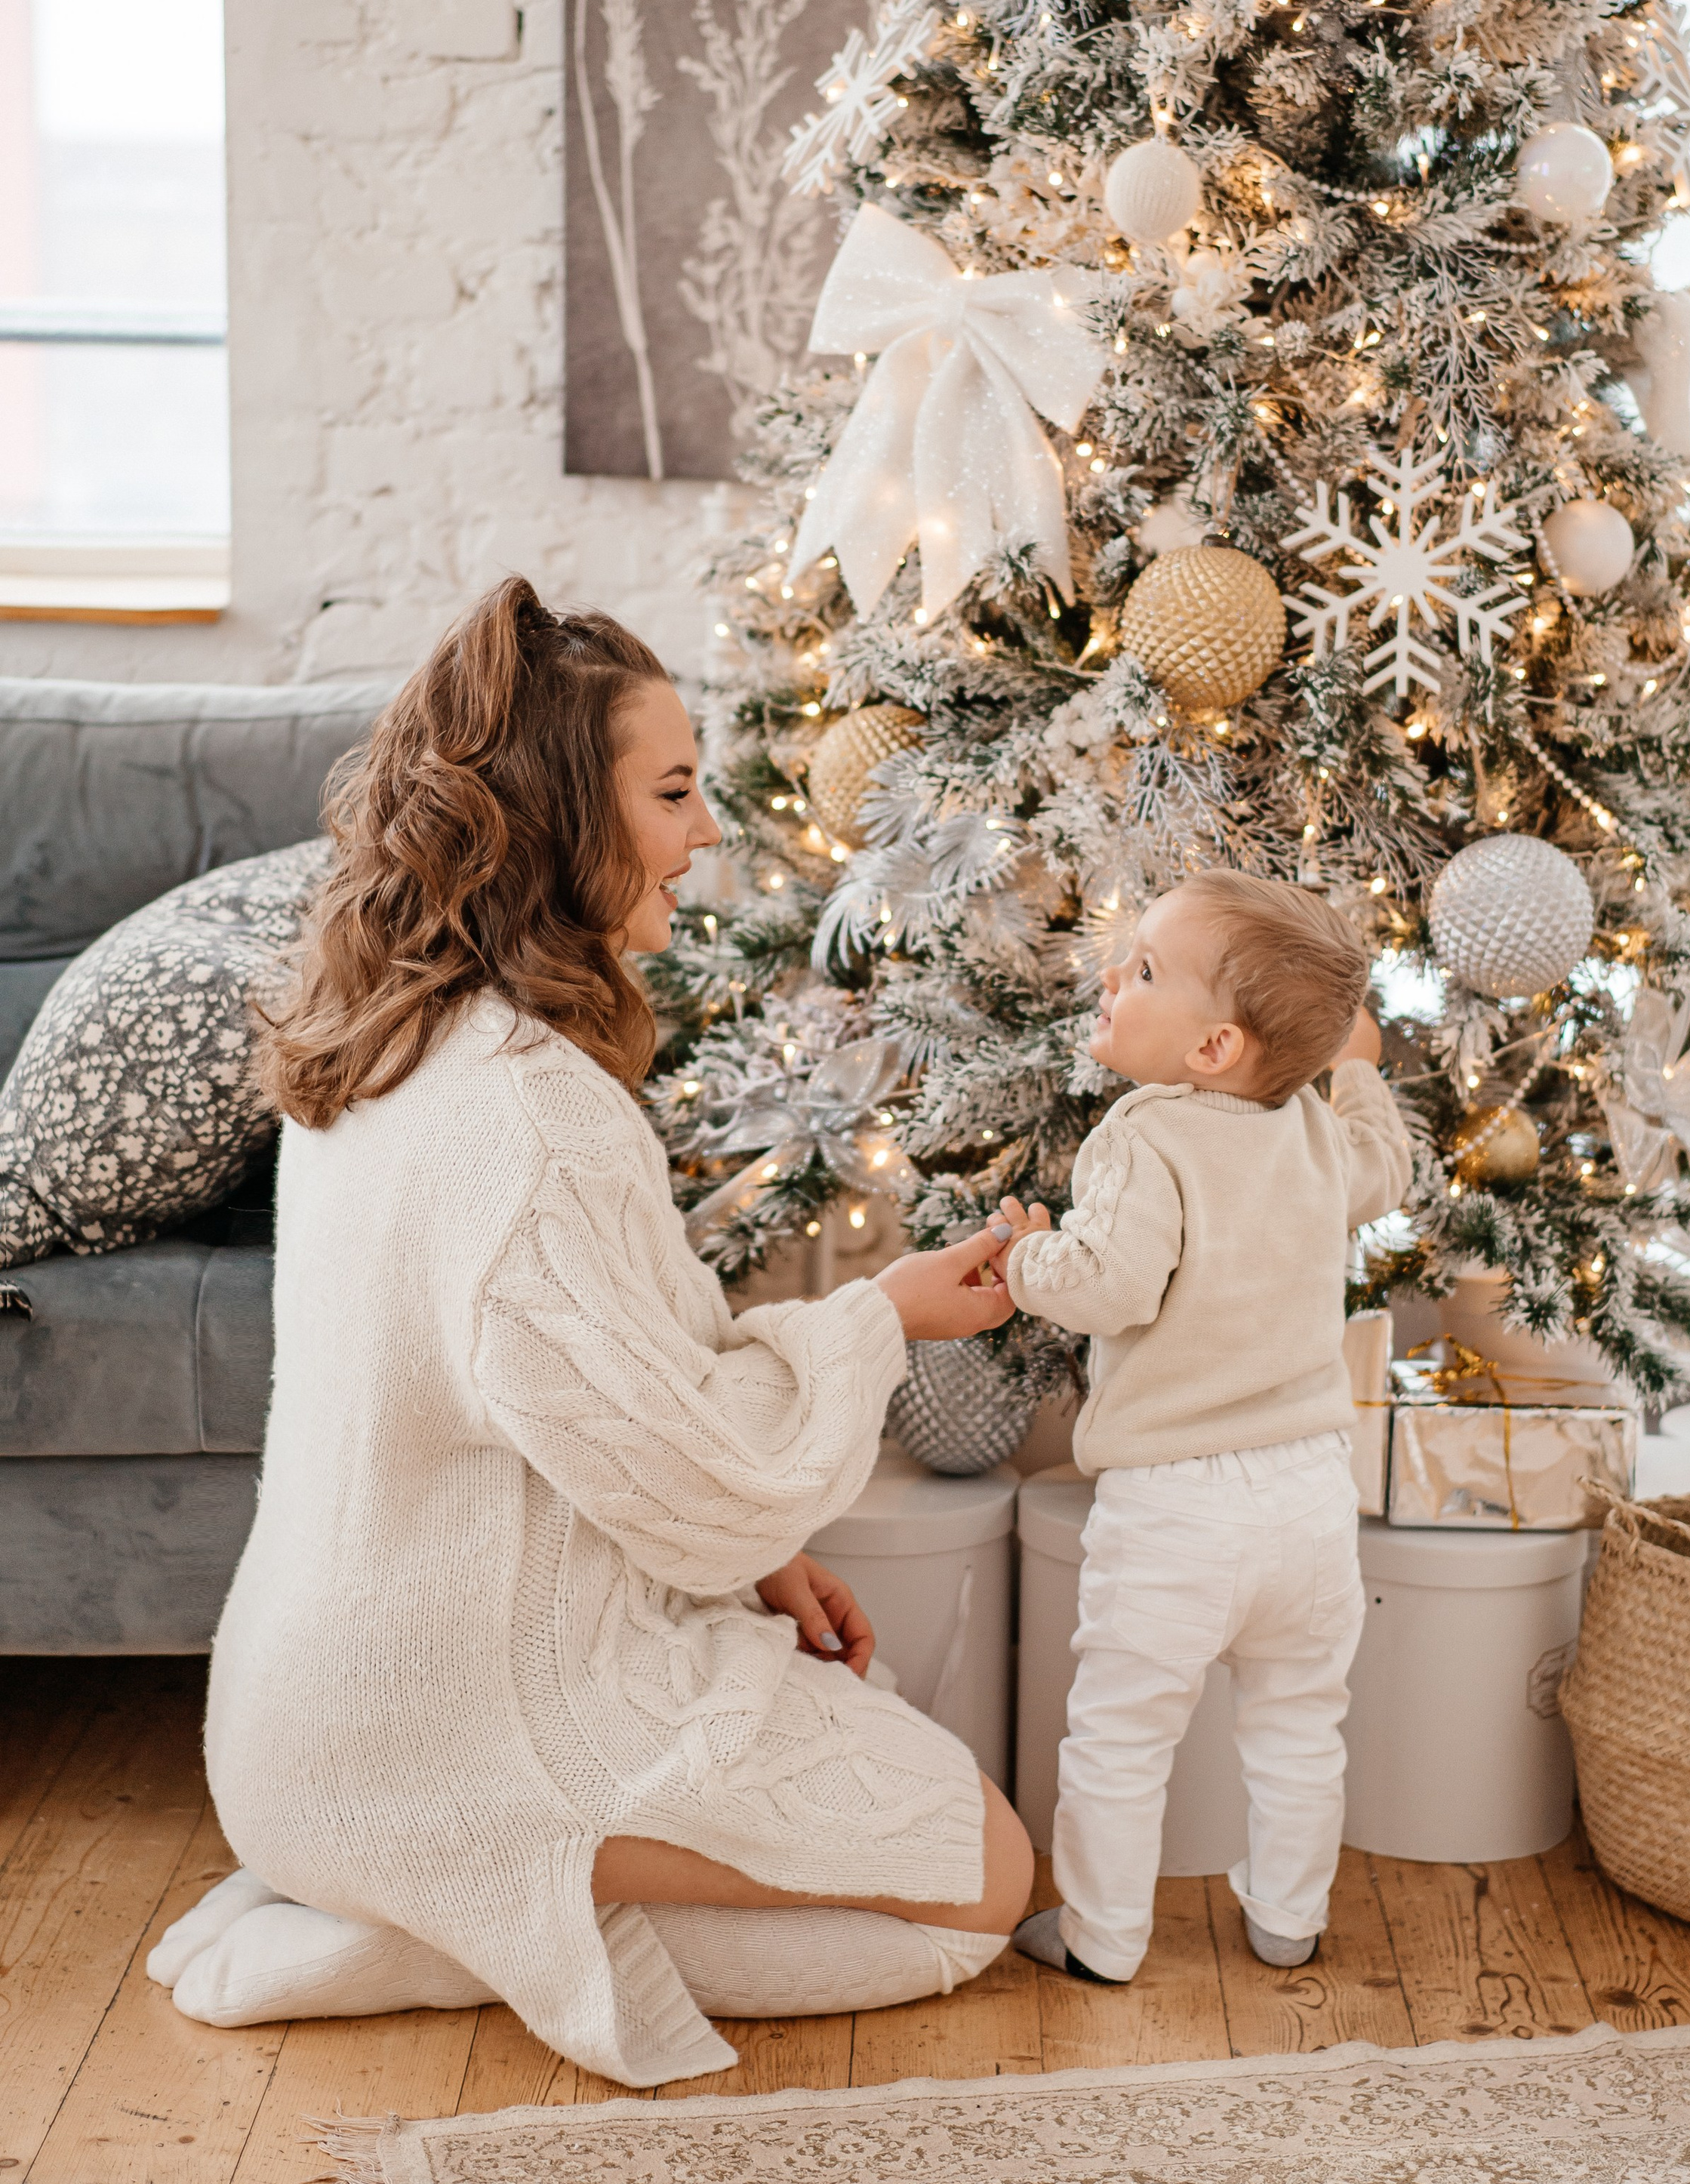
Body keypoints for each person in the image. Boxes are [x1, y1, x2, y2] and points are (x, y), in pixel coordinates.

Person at [151, 580, 1033, 2089]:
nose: (704, 835)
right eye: (673, 793)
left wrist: (764, 1557)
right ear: (560, 818)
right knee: (982, 1884)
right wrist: (881, 1317)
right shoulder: (529, 1117)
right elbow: (696, 1481)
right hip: (415, 1739)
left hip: (303, 1718)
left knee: (846, 1720)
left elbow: (603, 1395)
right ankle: (450, 1930)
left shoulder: (394, 1038)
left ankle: (451, 1897)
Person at [984, 873, 1411, 1988]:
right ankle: (1288, 1921)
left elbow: (1114, 1284)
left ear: (1215, 1047)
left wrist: (1028, 1258)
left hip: (1178, 1505)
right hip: (1312, 1498)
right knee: (1300, 1726)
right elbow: (1387, 1160)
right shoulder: (1316, 1131)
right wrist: (1357, 1062)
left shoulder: (1146, 1132)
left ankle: (1103, 1936)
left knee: (1122, 1733)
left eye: (1146, 970)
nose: (1114, 976)